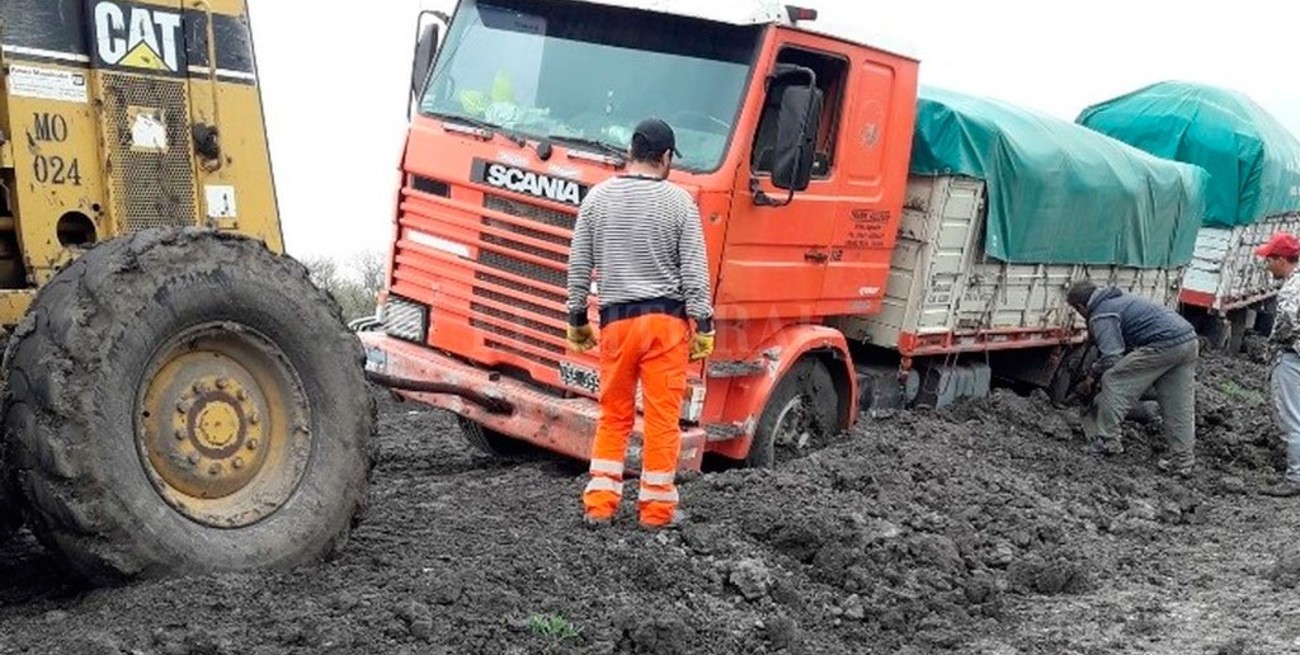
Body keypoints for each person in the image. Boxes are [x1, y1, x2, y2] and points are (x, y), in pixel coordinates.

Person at [564, 118, 715, 529]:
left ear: (631, 153)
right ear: (666, 158)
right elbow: (695, 272)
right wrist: (704, 324)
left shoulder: (598, 198)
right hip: (665, 325)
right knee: (663, 421)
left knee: (613, 415)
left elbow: (579, 264)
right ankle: (655, 512)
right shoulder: (680, 203)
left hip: (616, 322)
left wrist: (576, 315)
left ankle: (599, 504)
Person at [1066, 280, 1199, 477]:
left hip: (1163, 344)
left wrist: (1092, 376)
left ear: (1081, 307)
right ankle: (1183, 461)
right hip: (1187, 340)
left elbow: (1112, 356)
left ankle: (1107, 441)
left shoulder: (1101, 314)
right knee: (1178, 403)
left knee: (1113, 379)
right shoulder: (1119, 299)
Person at [1255, 232, 1300, 497]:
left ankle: (1295, 477)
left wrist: (1273, 345)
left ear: (1282, 260)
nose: (1267, 266)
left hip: (1292, 356)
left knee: (1291, 418)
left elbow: (1288, 322)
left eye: (1269, 260)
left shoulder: (1291, 290)